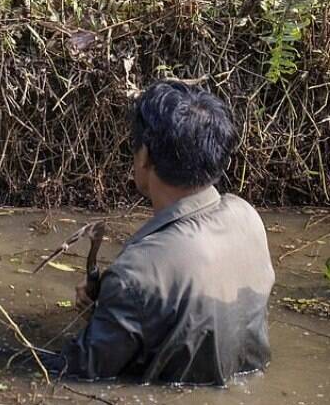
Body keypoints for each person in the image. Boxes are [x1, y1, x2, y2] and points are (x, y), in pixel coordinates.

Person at [46, 80, 275, 385]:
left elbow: (77, 373)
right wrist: (106, 312)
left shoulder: (138, 272)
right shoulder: (246, 216)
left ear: (145, 157)